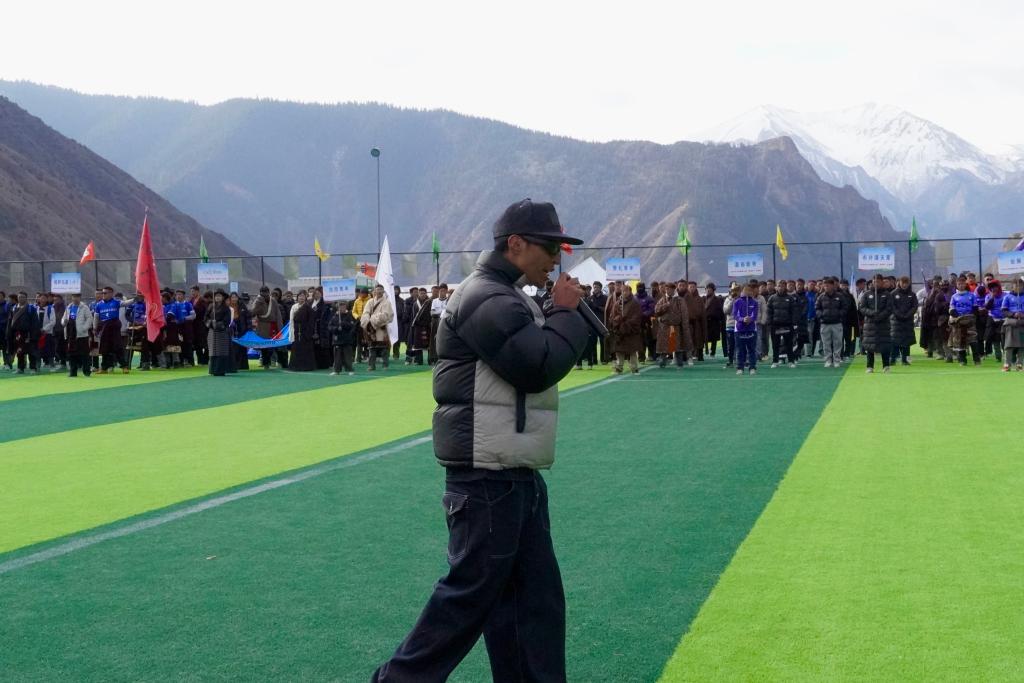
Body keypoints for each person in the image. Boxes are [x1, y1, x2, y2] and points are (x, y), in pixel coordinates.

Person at [372, 199, 589, 682]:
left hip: (511, 471)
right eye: (550, 246)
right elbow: (537, 365)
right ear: (516, 244)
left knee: (533, 605)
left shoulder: (502, 293)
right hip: (487, 476)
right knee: (467, 602)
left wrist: (559, 313)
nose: (556, 258)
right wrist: (566, 312)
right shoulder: (485, 296)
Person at [859, 274, 893, 373]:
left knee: (885, 345)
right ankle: (870, 366)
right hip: (870, 324)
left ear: (882, 282)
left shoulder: (887, 294)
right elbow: (862, 308)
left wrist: (880, 315)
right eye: (874, 282)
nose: (876, 283)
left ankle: (886, 366)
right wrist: (872, 313)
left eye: (878, 281)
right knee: (870, 346)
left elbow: (889, 308)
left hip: (883, 324)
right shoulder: (866, 294)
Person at [609, 284, 642, 374]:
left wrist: (627, 323)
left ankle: (634, 368)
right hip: (620, 330)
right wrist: (618, 321)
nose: (624, 293)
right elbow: (612, 316)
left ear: (630, 291)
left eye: (626, 291)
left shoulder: (635, 303)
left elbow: (637, 317)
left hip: (631, 331)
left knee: (632, 351)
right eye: (622, 291)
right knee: (619, 351)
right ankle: (619, 367)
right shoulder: (617, 303)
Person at [654, 281, 689, 368]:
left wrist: (684, 326)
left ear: (674, 290)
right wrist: (665, 306)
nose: (667, 290)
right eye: (666, 289)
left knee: (677, 346)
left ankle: (679, 362)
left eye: (669, 289)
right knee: (663, 346)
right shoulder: (662, 300)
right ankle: (663, 362)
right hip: (664, 326)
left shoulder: (680, 300)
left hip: (676, 326)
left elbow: (684, 313)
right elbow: (656, 310)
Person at [94, 287, 128, 374]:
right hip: (104, 327)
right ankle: (104, 368)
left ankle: (124, 366)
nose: (103, 295)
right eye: (102, 293)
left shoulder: (116, 302)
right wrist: (95, 328)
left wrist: (135, 299)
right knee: (104, 348)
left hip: (114, 326)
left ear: (111, 294)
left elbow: (125, 303)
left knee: (118, 347)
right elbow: (96, 317)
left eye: (105, 293)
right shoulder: (98, 305)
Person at [361, 283, 395, 371]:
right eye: (377, 290)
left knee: (384, 349)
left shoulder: (386, 302)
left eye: (380, 290)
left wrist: (372, 319)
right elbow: (365, 313)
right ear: (374, 291)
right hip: (371, 329)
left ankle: (385, 365)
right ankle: (371, 366)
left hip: (382, 328)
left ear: (383, 291)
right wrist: (368, 322)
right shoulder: (370, 301)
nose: (379, 292)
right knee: (371, 348)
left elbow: (386, 315)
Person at [948, 276, 981, 365]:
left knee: (973, 340)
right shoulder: (954, 296)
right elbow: (951, 309)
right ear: (956, 285)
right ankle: (962, 360)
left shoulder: (971, 295)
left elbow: (975, 308)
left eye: (962, 284)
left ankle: (976, 360)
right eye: (959, 284)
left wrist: (971, 317)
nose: (961, 286)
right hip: (959, 321)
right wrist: (958, 317)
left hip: (969, 321)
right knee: (960, 341)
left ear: (965, 284)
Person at [815, 277, 847, 368]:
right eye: (825, 286)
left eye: (828, 285)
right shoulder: (821, 297)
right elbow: (817, 308)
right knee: (826, 343)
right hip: (825, 323)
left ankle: (837, 360)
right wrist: (821, 315)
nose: (826, 287)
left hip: (837, 323)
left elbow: (845, 307)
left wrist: (839, 314)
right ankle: (828, 360)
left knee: (838, 343)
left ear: (833, 286)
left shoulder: (840, 296)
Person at [6, 292, 41, 373]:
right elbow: (10, 321)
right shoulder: (14, 308)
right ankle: (20, 368)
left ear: (26, 298)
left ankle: (33, 368)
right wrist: (9, 333)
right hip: (17, 334)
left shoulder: (31, 308)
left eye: (22, 297)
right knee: (19, 351)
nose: (21, 298)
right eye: (19, 297)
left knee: (31, 351)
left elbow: (35, 322)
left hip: (28, 333)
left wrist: (34, 334)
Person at [61, 292, 94, 377]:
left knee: (84, 354)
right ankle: (73, 372)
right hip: (71, 334)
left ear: (80, 297)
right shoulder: (68, 308)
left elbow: (89, 319)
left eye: (77, 297)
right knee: (72, 354)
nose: (76, 298)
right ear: (71, 297)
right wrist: (64, 322)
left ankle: (86, 371)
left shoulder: (84, 307)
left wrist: (84, 328)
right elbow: (63, 319)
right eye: (74, 296)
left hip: (81, 335)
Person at [250, 286, 282, 369]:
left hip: (273, 326)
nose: (265, 295)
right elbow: (252, 313)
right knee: (264, 347)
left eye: (266, 293)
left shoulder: (273, 301)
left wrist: (280, 328)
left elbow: (278, 315)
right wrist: (258, 303)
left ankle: (275, 361)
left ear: (269, 292)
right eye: (263, 293)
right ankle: (266, 364)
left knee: (273, 346)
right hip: (262, 326)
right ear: (260, 293)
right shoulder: (258, 301)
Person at [889, 276, 918, 366]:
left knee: (907, 341)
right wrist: (899, 315)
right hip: (896, 321)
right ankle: (892, 359)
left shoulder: (912, 294)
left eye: (906, 283)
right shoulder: (893, 293)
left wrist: (908, 315)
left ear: (908, 283)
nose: (904, 285)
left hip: (908, 321)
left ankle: (905, 360)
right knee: (895, 341)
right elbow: (891, 306)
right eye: (903, 283)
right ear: (899, 282)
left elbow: (914, 306)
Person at [767, 281, 797, 368]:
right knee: (775, 344)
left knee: (789, 344)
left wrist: (792, 322)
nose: (780, 288)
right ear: (776, 287)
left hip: (787, 325)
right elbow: (769, 311)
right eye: (779, 286)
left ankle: (791, 361)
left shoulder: (790, 298)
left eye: (782, 286)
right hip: (775, 325)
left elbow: (793, 311)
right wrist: (770, 322)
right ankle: (775, 361)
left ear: (785, 287)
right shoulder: (772, 298)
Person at [733, 283, 759, 375]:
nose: (748, 292)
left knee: (752, 350)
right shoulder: (737, 302)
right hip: (739, 329)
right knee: (740, 350)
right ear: (742, 291)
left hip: (751, 329)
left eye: (750, 290)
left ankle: (752, 367)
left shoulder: (755, 302)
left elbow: (755, 315)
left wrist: (750, 319)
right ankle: (740, 367)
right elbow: (735, 315)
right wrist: (742, 319)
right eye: (746, 290)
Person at [205, 290, 232, 376]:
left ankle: (220, 370)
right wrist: (210, 322)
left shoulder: (226, 308)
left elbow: (227, 321)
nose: (217, 297)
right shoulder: (210, 306)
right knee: (212, 351)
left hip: (222, 332)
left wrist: (217, 324)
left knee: (221, 351)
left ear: (223, 297)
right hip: (212, 332)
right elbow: (205, 317)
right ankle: (212, 370)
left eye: (219, 296)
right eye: (216, 296)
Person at [287, 290, 316, 371]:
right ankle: (295, 366)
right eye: (300, 296)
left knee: (305, 350)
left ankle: (306, 367)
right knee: (296, 349)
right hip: (296, 331)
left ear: (305, 297)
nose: (301, 298)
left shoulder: (308, 307)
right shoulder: (294, 307)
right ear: (297, 297)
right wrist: (291, 332)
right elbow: (291, 320)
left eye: (303, 296)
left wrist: (308, 332)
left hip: (305, 331)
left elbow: (311, 320)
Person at [328, 301, 358, 376]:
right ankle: (336, 370)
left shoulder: (349, 315)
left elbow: (352, 326)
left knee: (347, 356)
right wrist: (336, 329)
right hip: (337, 340)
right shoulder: (334, 316)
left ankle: (349, 369)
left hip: (347, 339)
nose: (342, 308)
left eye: (343, 306)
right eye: (340, 306)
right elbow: (330, 327)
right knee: (337, 356)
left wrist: (344, 324)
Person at [1001, 277, 1024, 371]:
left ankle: (1020, 364)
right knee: (1009, 345)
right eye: (1016, 285)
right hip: (1011, 323)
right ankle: (1007, 364)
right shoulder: (1007, 297)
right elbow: (1004, 310)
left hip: (1022, 323)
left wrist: (1022, 314)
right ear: (1012, 286)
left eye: (1020, 285)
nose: (1019, 287)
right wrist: (1013, 314)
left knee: (1022, 345)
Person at [310, 287, 333, 370]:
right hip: (313, 326)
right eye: (315, 293)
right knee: (314, 345)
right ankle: (316, 363)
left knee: (323, 346)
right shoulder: (310, 302)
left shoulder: (325, 303)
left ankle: (325, 364)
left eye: (318, 293)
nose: (317, 295)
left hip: (322, 326)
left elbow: (328, 316)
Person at [407, 287, 431, 365]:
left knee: (429, 344)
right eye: (421, 293)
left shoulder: (430, 302)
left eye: (424, 293)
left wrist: (427, 322)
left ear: (426, 294)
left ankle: (430, 360)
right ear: (418, 294)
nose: (423, 295)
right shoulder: (415, 304)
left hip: (427, 326)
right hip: (418, 326)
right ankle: (418, 360)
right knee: (418, 344)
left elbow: (430, 314)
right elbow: (414, 316)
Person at [984, 281, 1005, 364]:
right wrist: (992, 297)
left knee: (1003, 338)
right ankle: (998, 356)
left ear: (999, 287)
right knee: (994, 338)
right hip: (992, 319)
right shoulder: (988, 296)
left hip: (1003, 319)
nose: (994, 288)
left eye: (995, 286)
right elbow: (987, 307)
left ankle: (1006, 355)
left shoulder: (1005, 296)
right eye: (992, 287)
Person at [703, 282, 724, 358]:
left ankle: (713, 352)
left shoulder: (717, 300)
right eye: (707, 289)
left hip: (714, 321)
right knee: (704, 337)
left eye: (710, 289)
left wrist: (714, 315)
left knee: (714, 338)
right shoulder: (703, 299)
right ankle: (705, 351)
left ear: (713, 290)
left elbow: (720, 311)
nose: (708, 290)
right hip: (705, 322)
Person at [722, 283, 740, 368]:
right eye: (733, 290)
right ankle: (730, 360)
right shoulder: (728, 299)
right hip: (730, 324)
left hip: (740, 325)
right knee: (731, 344)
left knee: (740, 344)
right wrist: (732, 300)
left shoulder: (742, 299)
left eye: (737, 290)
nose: (735, 292)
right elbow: (726, 311)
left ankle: (740, 360)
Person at [393, 285, 407, 361]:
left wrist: (402, 319)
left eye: (397, 290)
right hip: (390, 321)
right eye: (394, 289)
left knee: (397, 339)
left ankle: (396, 354)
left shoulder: (402, 301)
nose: (396, 291)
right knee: (388, 339)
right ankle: (386, 354)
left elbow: (404, 311)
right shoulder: (389, 300)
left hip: (399, 322)